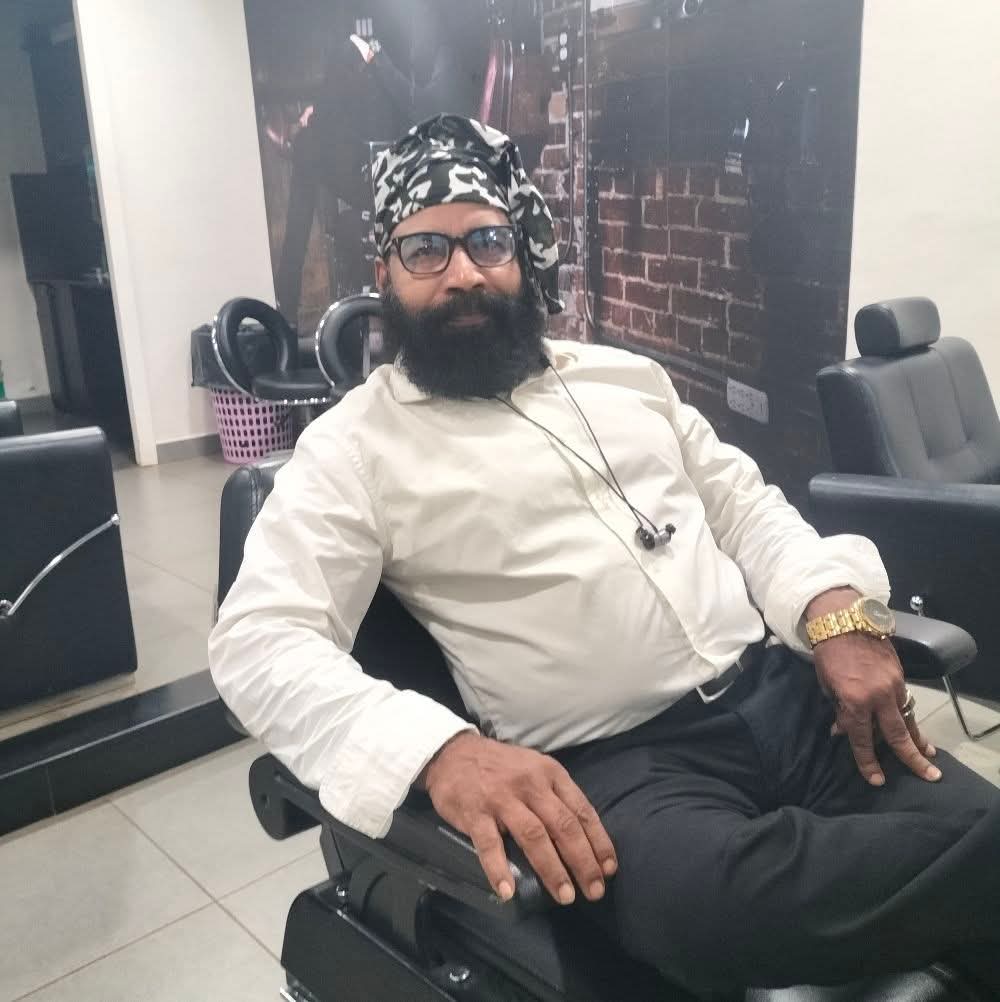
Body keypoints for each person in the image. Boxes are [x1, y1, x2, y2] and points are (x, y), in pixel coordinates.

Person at [209, 114, 1000, 998]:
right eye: (426, 249)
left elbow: (745, 507)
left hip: (788, 698)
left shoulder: (626, 380)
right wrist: (439, 753)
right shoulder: (355, 448)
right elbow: (259, 642)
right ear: (384, 273)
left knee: (973, 833)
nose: (464, 273)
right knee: (715, 914)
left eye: (486, 241)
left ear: (520, 253)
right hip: (623, 771)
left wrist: (834, 611)